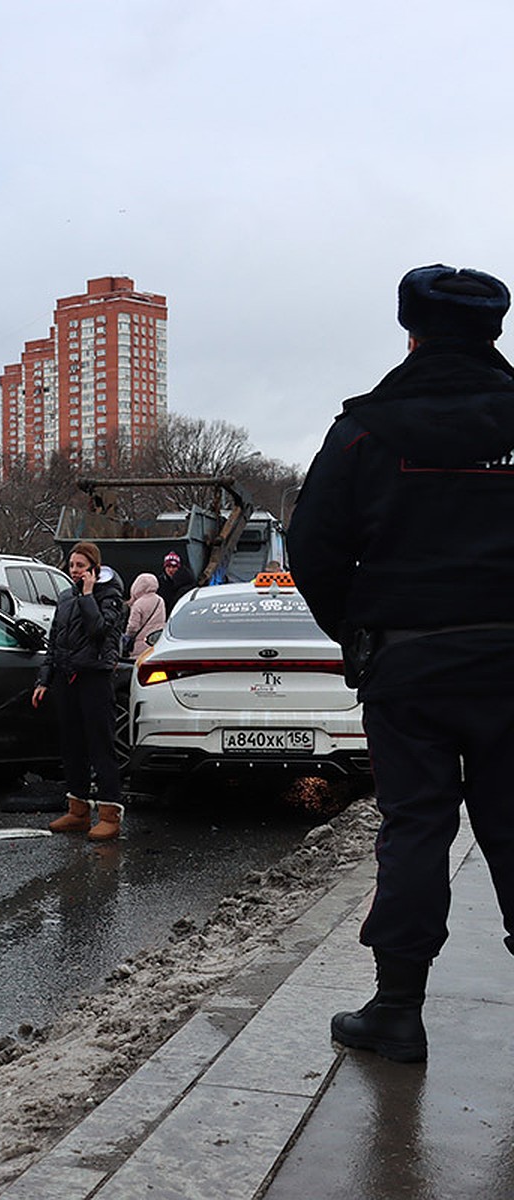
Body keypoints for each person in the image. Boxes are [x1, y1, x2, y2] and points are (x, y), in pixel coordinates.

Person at [287, 263, 514, 1064]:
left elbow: (311, 547)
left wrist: (356, 638)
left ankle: (397, 1010)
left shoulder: (364, 432)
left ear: (410, 332)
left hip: (409, 669)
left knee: (415, 827)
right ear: (493, 331)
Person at [31, 541, 127, 841]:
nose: (74, 571)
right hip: (66, 676)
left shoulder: (109, 595)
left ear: (94, 570)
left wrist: (88, 595)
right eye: (72, 565)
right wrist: (44, 680)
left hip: (94, 677)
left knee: (100, 744)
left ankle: (110, 812)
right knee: (72, 746)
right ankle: (78, 809)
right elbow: (54, 641)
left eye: (81, 566)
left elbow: (99, 630)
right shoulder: (64, 597)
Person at [122, 572, 167, 658]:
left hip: (140, 644)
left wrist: (128, 636)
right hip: (156, 642)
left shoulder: (138, 603)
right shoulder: (160, 600)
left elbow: (133, 627)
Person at [157, 550, 196, 615]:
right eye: (168, 567)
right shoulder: (160, 582)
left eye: (174, 567)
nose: (171, 570)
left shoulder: (187, 581)